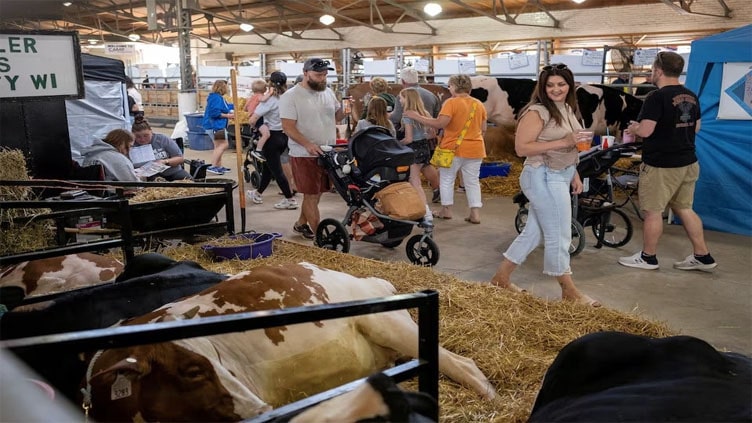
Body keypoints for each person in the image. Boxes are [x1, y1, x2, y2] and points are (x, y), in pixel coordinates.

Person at [488, 63, 600, 307]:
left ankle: (501, 278)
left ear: (569, 85)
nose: (556, 89)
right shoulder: (537, 112)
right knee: (559, 234)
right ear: (542, 87)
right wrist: (563, 142)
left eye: (561, 84)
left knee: (534, 232)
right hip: (543, 176)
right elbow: (522, 148)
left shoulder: (568, 108)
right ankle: (569, 291)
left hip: (560, 174)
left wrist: (574, 173)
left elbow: (573, 145)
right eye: (550, 85)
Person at [618, 51, 717, 272]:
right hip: (688, 161)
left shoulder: (656, 97)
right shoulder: (691, 95)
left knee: (652, 211)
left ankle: (648, 257)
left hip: (661, 165)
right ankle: (702, 255)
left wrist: (635, 128)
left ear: (658, 70)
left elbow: (646, 130)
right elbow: (697, 127)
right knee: (685, 208)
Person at [404, 74, 486, 224]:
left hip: (452, 149)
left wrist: (415, 116)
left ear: (454, 86)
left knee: (447, 179)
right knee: (472, 181)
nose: (449, 89)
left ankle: (446, 210)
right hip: (476, 148)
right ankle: (475, 213)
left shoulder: (451, 103)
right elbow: (483, 128)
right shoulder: (478, 104)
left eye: (450, 86)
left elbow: (439, 123)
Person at [279, 58, 345, 239]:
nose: (323, 78)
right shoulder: (290, 97)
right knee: (310, 195)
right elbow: (288, 127)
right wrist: (308, 144)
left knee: (316, 194)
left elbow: (337, 117)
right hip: (304, 154)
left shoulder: (328, 92)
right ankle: (320, 237)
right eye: (318, 75)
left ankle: (301, 224)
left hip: (327, 151)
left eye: (325, 75)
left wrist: (347, 108)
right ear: (306, 72)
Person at [246, 71, 298, 210]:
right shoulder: (288, 98)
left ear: (270, 84)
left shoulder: (270, 100)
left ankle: (290, 199)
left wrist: (253, 125)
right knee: (269, 168)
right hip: (284, 136)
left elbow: (253, 118)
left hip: (272, 138)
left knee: (276, 170)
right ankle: (258, 193)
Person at [390, 67, 441, 203]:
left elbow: (396, 117)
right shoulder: (431, 96)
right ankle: (437, 188)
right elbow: (435, 121)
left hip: (412, 144)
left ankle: (420, 207)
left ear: (402, 81)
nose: (401, 100)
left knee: (414, 179)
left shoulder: (404, 97)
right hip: (425, 142)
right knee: (427, 164)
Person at [398, 88, 436, 221]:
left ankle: (425, 212)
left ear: (407, 99)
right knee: (424, 172)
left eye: (401, 98)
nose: (399, 100)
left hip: (413, 149)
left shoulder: (407, 116)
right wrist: (422, 136)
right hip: (424, 147)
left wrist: (397, 144)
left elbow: (408, 139)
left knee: (415, 182)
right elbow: (432, 134)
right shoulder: (423, 113)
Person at [131, 116, 191, 180]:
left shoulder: (162, 139)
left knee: (188, 181)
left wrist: (165, 161)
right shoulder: (130, 144)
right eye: (138, 137)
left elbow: (180, 158)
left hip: (172, 172)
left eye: (146, 136)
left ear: (151, 131)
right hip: (148, 176)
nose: (142, 139)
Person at [202, 79, 235, 175]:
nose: (228, 88)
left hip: (214, 125)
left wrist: (234, 106)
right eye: (227, 86)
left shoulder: (217, 97)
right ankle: (213, 166)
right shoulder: (216, 98)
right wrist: (228, 116)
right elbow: (214, 113)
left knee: (218, 146)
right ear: (223, 87)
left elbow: (225, 107)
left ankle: (218, 166)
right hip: (215, 126)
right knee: (223, 145)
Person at [244, 79, 272, 162]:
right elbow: (263, 99)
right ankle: (258, 150)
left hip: (251, 118)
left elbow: (245, 108)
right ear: (264, 89)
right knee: (266, 134)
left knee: (260, 132)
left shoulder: (251, 98)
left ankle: (257, 140)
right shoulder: (259, 96)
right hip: (258, 118)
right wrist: (270, 93)